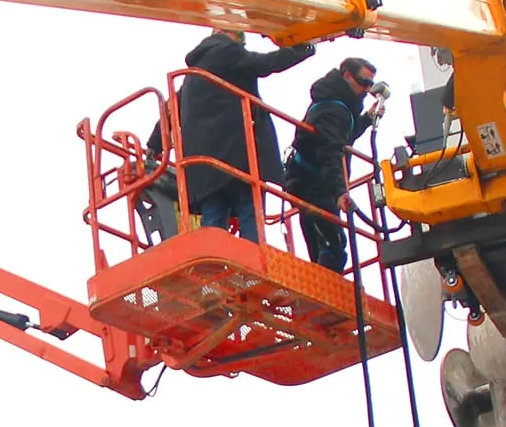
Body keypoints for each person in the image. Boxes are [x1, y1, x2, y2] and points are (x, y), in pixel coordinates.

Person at [153, 27, 316, 242]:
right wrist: (302, 49)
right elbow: (265, 63)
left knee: (213, 217)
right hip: (238, 156)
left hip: (204, 165)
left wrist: (154, 144)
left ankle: (214, 255)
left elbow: (171, 109)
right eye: (241, 38)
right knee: (249, 210)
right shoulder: (228, 50)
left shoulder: (193, 74)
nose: (242, 45)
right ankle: (251, 257)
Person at [283, 56, 386, 272]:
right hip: (312, 185)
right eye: (364, 82)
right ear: (347, 75)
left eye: (371, 84)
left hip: (312, 182)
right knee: (333, 248)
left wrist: (367, 118)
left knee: (326, 245)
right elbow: (330, 152)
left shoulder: (336, 105)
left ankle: (318, 282)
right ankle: (320, 286)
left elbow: (340, 137)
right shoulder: (333, 110)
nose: (367, 89)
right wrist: (339, 192)